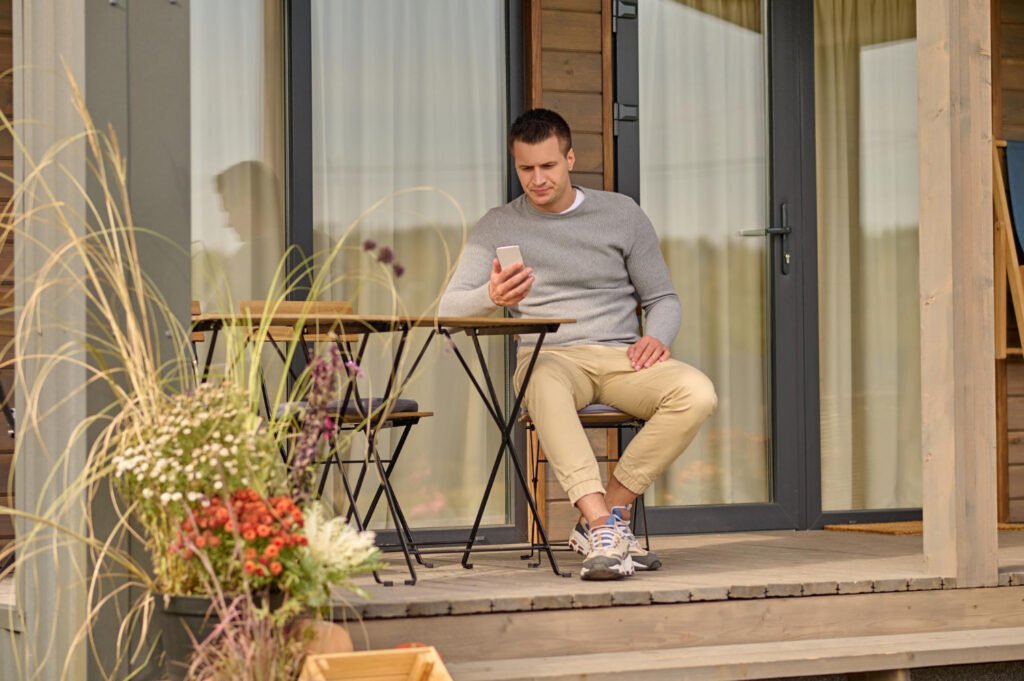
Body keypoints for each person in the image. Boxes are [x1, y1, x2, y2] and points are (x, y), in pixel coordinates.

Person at [439, 109, 717, 581]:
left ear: (570, 158)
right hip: (549, 356)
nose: (537, 179)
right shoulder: (498, 224)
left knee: (697, 393)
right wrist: (492, 297)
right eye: (526, 168)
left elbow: (663, 298)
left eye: (548, 166)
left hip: (623, 356)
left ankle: (610, 514)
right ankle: (601, 524)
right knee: (543, 383)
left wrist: (657, 337)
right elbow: (446, 309)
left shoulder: (621, 213)